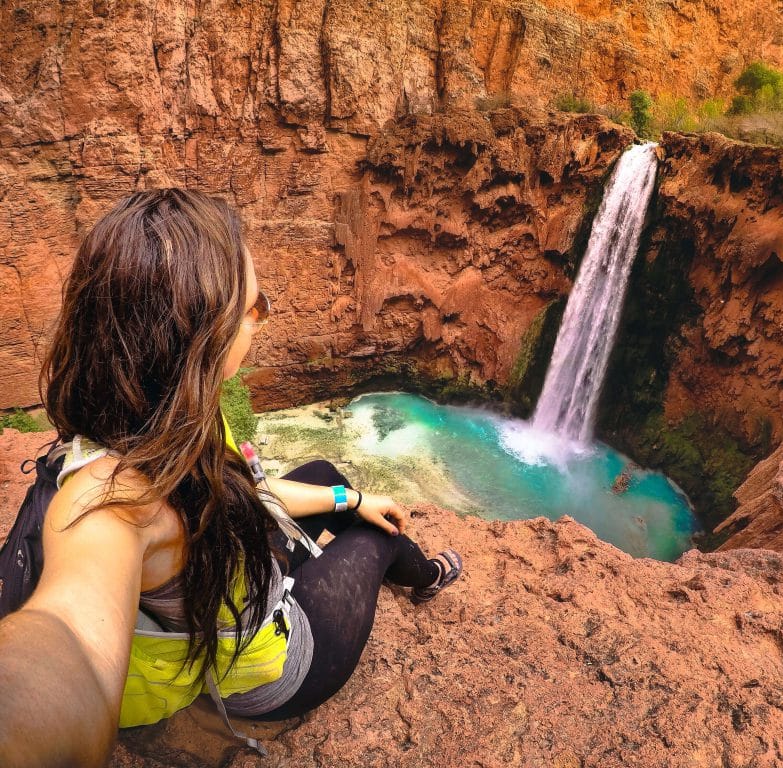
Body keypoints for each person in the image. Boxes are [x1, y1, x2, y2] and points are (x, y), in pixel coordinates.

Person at [0, 188, 463, 767]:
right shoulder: (113, 499)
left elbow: (246, 485)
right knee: (380, 535)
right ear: (199, 336)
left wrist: (352, 497)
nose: (262, 321)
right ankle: (424, 575)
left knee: (331, 480)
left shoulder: (157, 410)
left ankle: (348, 533)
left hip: (240, 571)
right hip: (268, 669)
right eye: (254, 308)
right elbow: (64, 637)